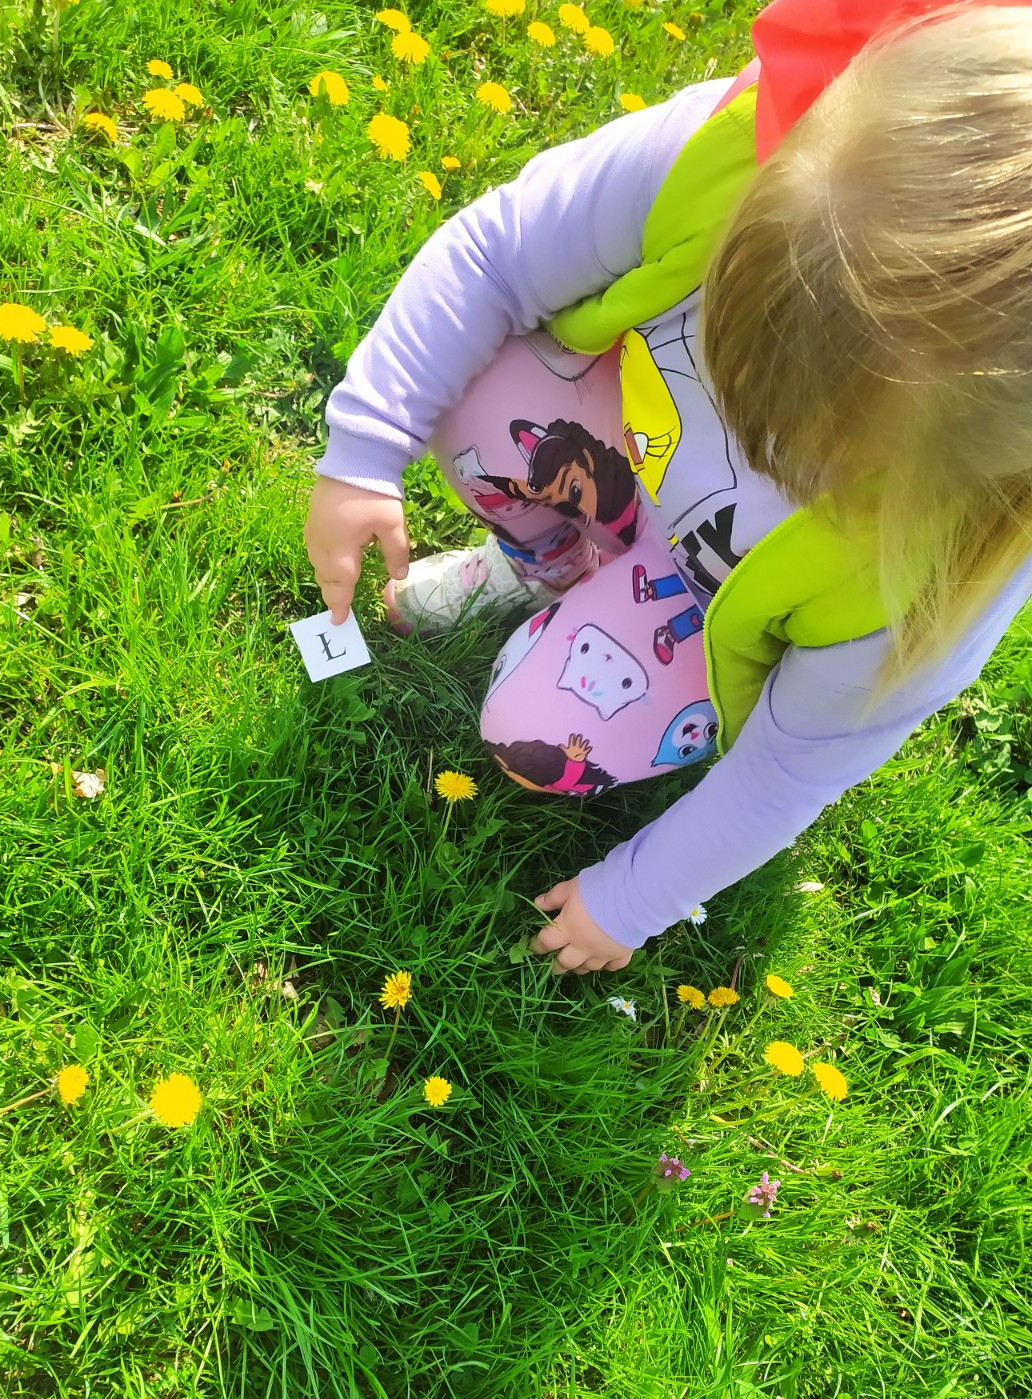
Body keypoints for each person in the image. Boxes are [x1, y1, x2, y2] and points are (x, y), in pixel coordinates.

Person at [303, 0, 1032, 976]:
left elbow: (788, 767)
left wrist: (634, 895)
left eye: (812, 451)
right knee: (476, 390)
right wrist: (364, 446)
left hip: (706, 600)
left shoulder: (932, 579)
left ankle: (602, 616)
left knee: (533, 734)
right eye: (738, 346)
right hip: (617, 449)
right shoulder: (729, 151)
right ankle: (539, 570)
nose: (755, 434)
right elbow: (493, 256)